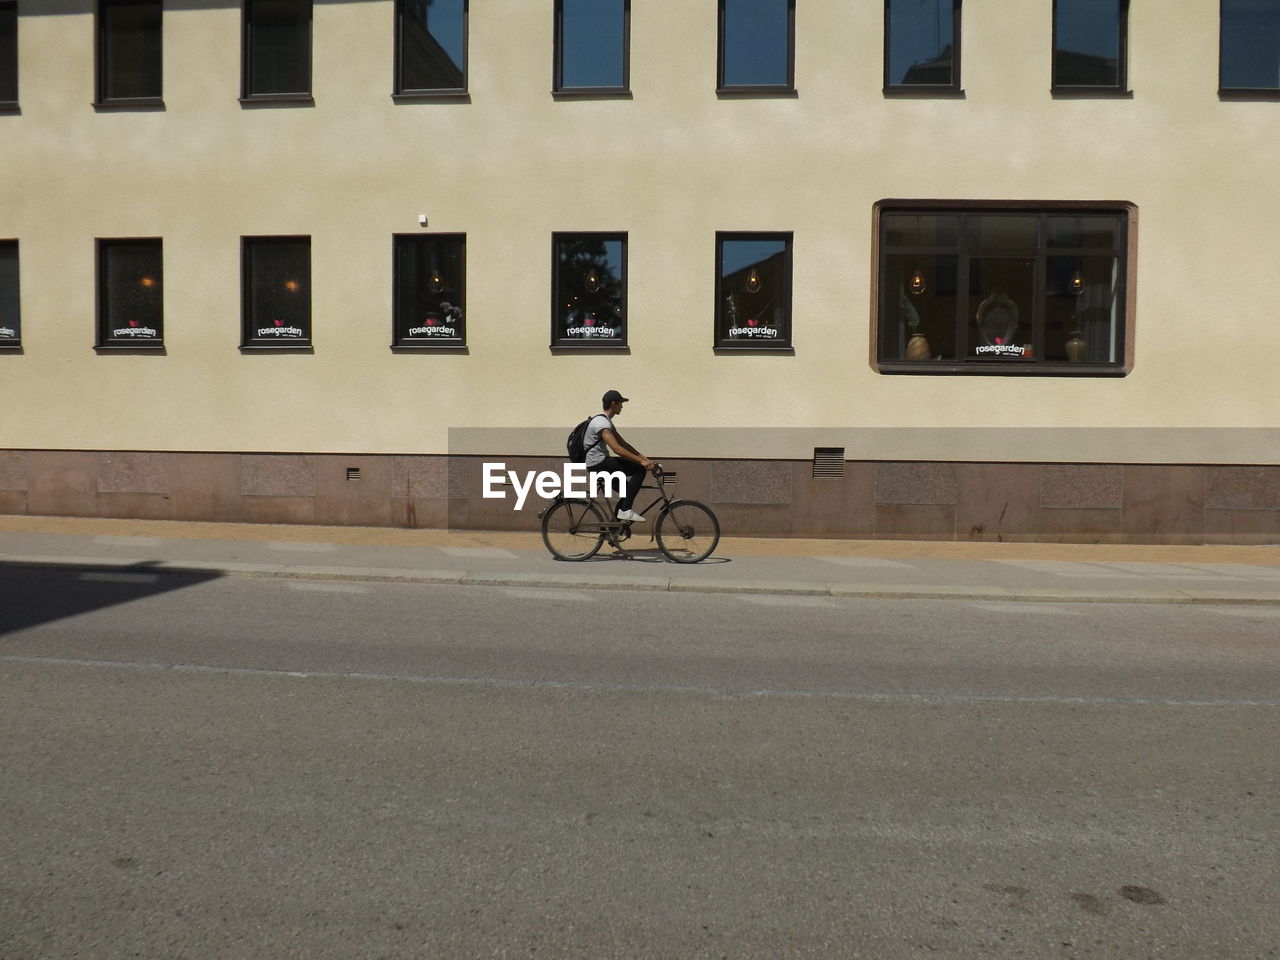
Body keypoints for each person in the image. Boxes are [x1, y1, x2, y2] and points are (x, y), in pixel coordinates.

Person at [583, 389, 655, 522]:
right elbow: (617, 449)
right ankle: (625, 510)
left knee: (628, 492)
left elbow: (624, 444)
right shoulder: (601, 423)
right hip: (598, 464)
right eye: (620, 403)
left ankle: (613, 528)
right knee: (639, 469)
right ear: (613, 404)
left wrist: (645, 459)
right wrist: (641, 463)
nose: (622, 406)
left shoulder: (606, 421)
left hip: (599, 463)